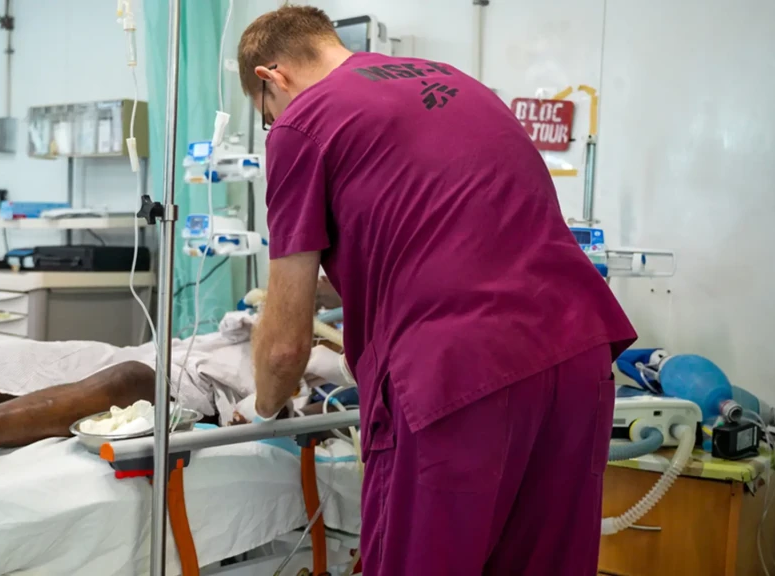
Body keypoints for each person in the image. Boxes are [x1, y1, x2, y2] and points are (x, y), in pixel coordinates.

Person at [239, 6, 637, 576]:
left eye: (266, 117)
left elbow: (282, 351)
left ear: (270, 78)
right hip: (578, 355)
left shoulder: (302, 122)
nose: (274, 125)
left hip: (457, 378)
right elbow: (448, 234)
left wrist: (260, 407)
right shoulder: (457, 82)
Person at [0, 310, 348, 459]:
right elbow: (245, 323)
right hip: (155, 353)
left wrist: (324, 353)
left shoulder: (341, 358)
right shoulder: (288, 310)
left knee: (128, 383)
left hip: (193, 397)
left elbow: (291, 396)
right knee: (12, 356)